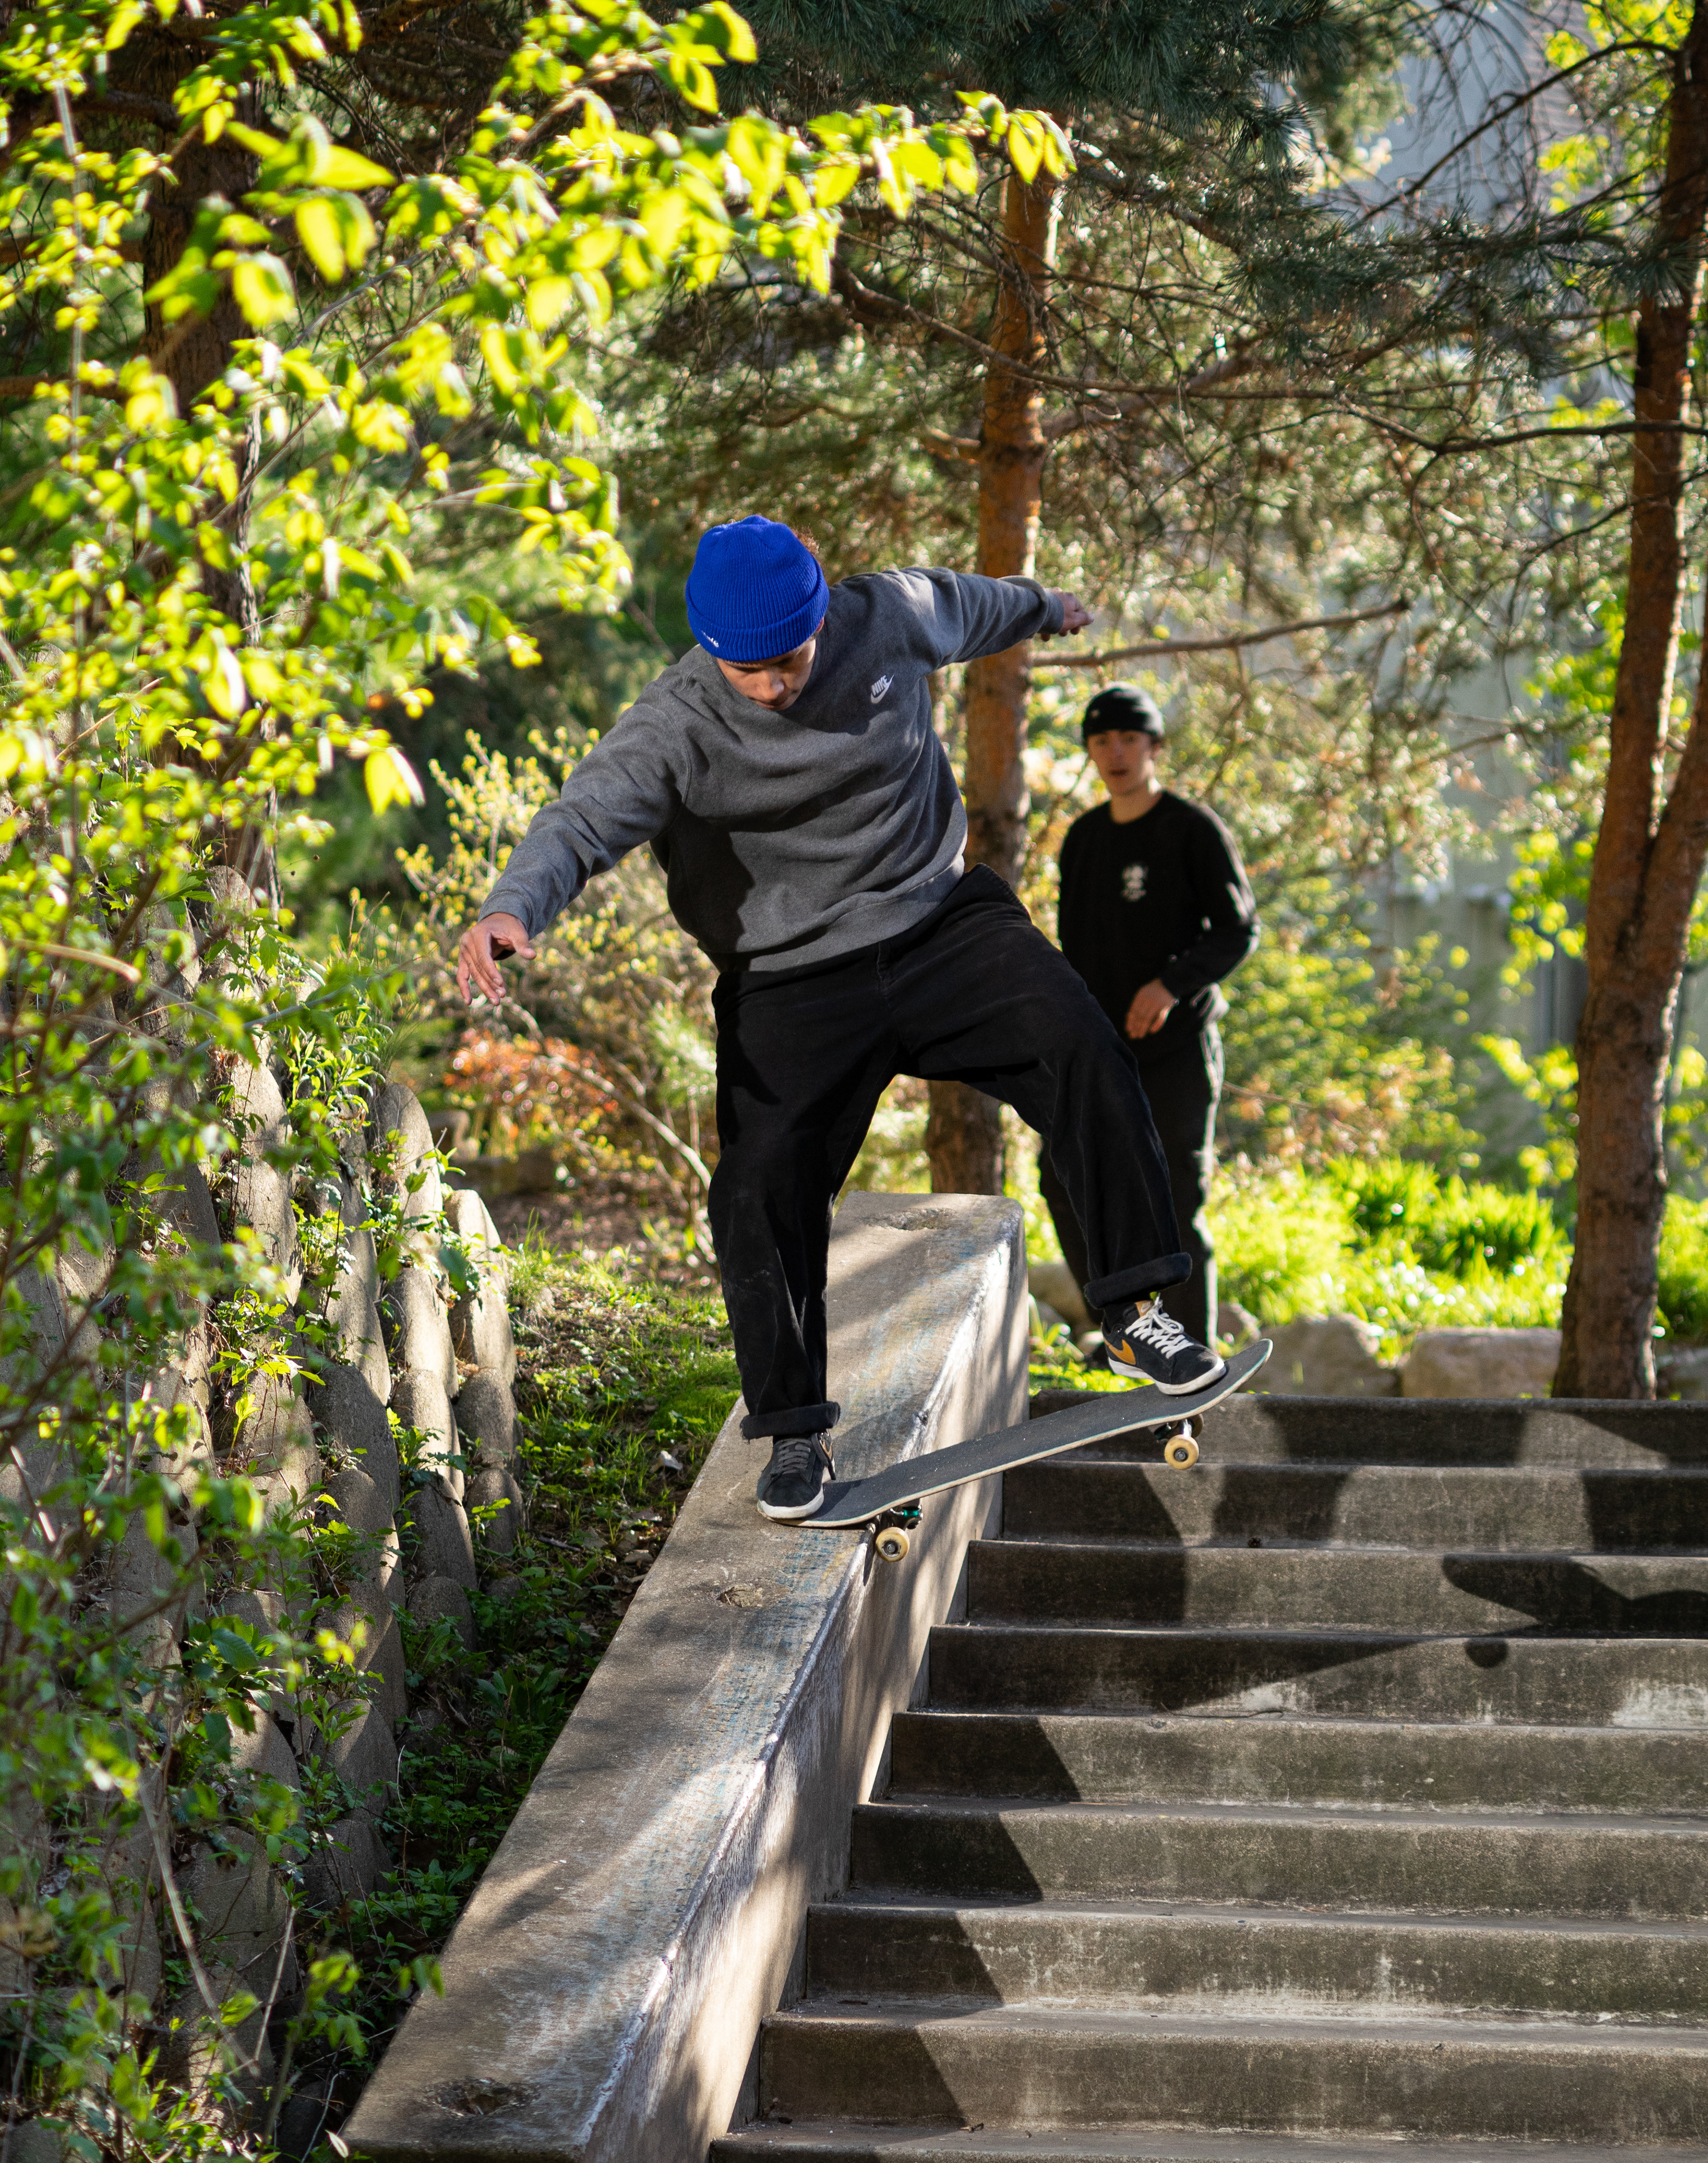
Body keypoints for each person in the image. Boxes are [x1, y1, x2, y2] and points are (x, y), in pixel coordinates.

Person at [456, 518, 1225, 1522]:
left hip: (937, 921)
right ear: (711, 654)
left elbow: (979, 604)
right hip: (790, 978)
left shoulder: (887, 614)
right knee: (760, 1182)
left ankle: (1130, 1310)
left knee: (1079, 1040)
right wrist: (516, 905)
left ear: (823, 615)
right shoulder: (677, 719)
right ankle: (795, 1433)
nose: (775, 687)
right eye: (750, 674)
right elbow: (585, 816)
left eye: (790, 662)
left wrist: (1047, 607)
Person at [1043, 684, 1258, 1347]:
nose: (1115, 753)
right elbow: (1073, 949)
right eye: (1102, 741)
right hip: (1100, 1056)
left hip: (1176, 1056)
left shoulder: (1191, 831)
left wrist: (1169, 986)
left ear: (1155, 747)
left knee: (1174, 1210)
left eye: (1129, 739)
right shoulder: (1082, 840)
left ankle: (1192, 1366)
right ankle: (1130, 1338)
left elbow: (1237, 928)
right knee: (1065, 1183)